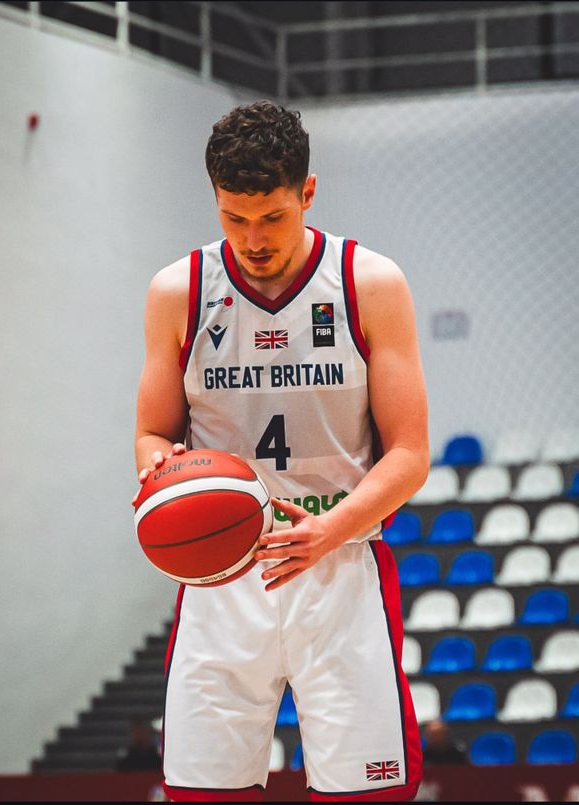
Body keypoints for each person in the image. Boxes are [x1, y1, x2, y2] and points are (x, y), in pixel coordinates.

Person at [133, 100, 429, 802]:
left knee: (370, 792)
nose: (253, 238)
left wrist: (332, 528)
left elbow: (410, 452)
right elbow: (152, 434)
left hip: (339, 564)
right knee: (204, 793)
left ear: (308, 192)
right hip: (221, 575)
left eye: (272, 216)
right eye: (234, 218)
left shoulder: (368, 283)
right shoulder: (178, 291)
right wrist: (157, 468)